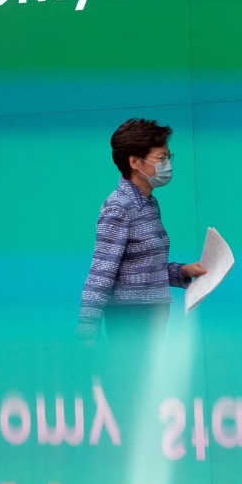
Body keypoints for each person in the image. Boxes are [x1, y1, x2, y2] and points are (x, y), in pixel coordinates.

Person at [77, 118, 206, 341]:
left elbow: (143, 269)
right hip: (131, 318)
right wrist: (87, 333)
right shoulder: (118, 207)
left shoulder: (149, 203)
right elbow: (101, 274)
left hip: (152, 314)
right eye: (161, 158)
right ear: (135, 162)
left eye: (169, 157)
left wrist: (183, 271)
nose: (168, 165)